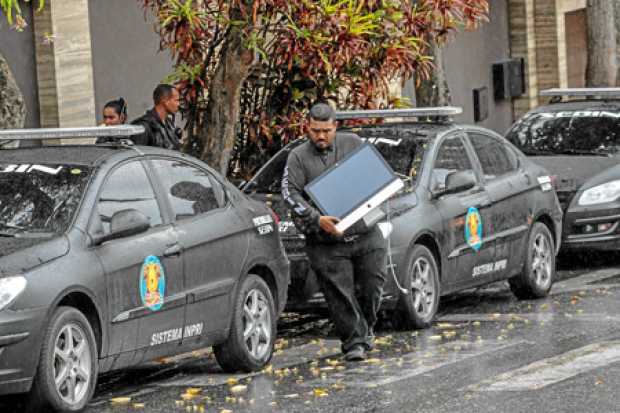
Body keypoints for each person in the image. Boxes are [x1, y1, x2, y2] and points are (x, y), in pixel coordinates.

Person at [281, 103, 387, 361]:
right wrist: (317, 220)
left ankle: (365, 328)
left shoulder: (352, 143)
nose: (320, 136)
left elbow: (376, 176)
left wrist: (378, 203)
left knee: (373, 286)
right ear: (307, 127)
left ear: (335, 127)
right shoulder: (298, 156)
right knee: (340, 294)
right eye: (315, 130)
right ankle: (354, 343)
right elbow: (289, 193)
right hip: (326, 241)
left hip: (365, 233)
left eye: (326, 131)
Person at [131, 84, 181, 149]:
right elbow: (137, 156)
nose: (178, 104)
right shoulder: (144, 127)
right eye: (176, 100)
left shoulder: (169, 124)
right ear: (165, 101)